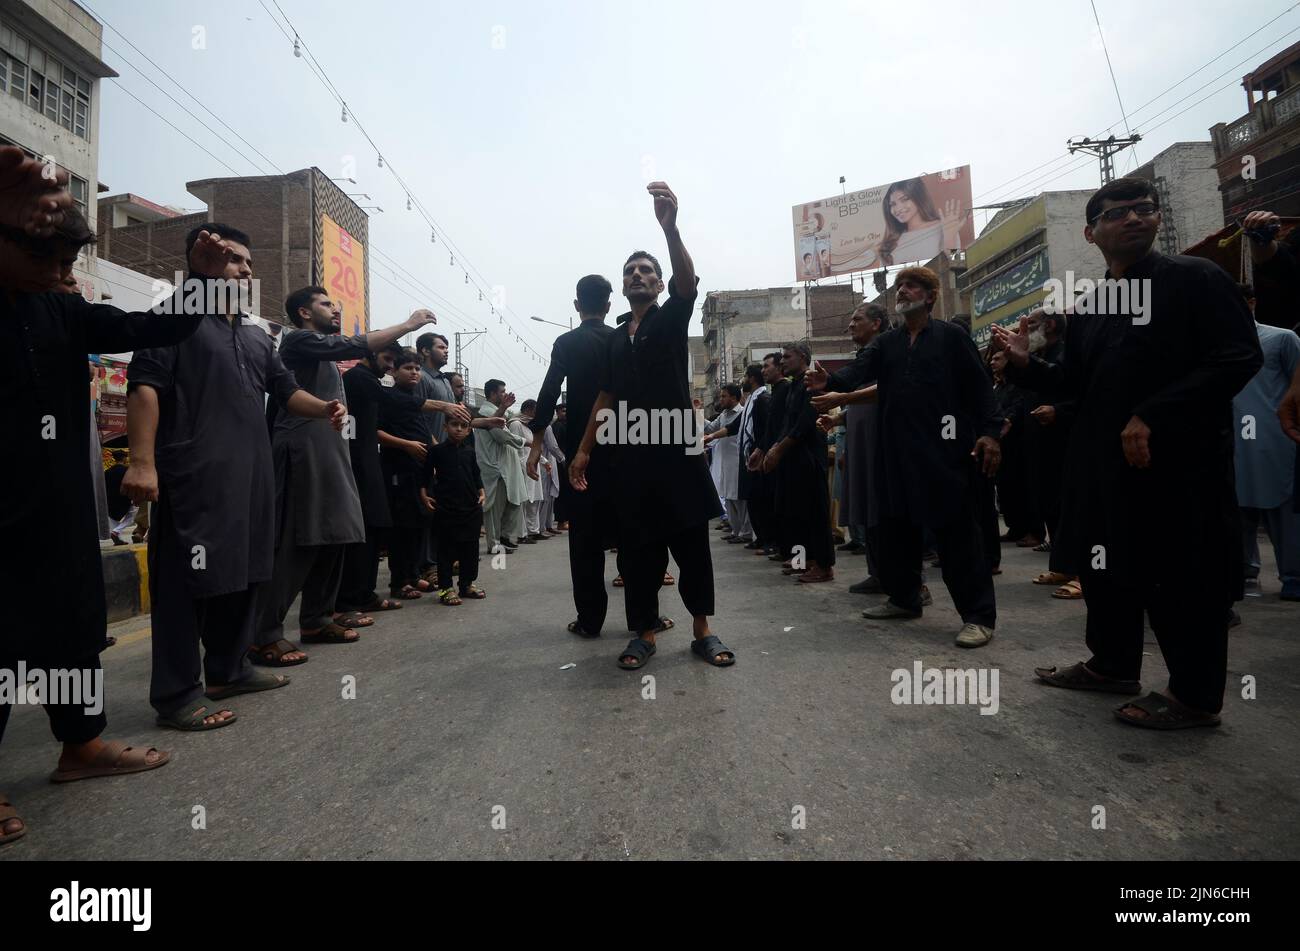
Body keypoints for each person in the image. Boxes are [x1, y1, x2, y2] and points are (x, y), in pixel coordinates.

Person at [994, 177, 1263, 728]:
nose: (1135, 219)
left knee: (1182, 577)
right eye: (1118, 214)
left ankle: (1194, 697)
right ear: (1092, 233)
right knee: (1107, 570)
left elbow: (1238, 357)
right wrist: (1024, 364)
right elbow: (1074, 383)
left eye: (1143, 209)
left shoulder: (1195, 279)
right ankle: (1111, 665)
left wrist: (1155, 413)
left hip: (1178, 462)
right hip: (1103, 467)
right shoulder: (1095, 306)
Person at [0, 155, 208, 846]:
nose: (61, 272)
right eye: (45, 255)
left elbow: (147, 329)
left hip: (58, 506)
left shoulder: (61, 307)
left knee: (73, 626)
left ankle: (80, 744)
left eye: (68, 259)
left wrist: (202, 284)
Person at [125, 223, 348, 730]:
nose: (245, 270)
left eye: (247, 262)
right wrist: (142, 462)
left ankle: (229, 668)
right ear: (202, 263)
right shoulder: (173, 318)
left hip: (253, 474)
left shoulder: (253, 332)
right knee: (187, 582)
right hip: (194, 472)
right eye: (233, 261)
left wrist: (325, 408)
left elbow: (285, 388)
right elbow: (145, 388)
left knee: (246, 572)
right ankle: (178, 694)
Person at [570, 182, 734, 669]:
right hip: (629, 454)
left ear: (659, 284)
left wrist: (670, 228)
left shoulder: (672, 317)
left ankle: (702, 631)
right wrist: (583, 450)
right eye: (631, 272)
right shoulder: (616, 339)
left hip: (677, 448)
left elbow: (689, 282)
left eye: (647, 271)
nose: (638, 275)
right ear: (622, 286)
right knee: (639, 551)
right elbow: (604, 396)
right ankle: (643, 632)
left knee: (691, 545)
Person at [807, 266, 1002, 647]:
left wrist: (991, 433)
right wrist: (828, 382)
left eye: (912, 285)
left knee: (956, 536)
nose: (903, 291)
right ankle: (904, 599)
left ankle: (978, 616)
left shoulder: (951, 337)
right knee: (895, 530)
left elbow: (980, 390)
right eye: (900, 286)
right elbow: (859, 371)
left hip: (944, 450)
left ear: (930, 296)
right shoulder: (888, 343)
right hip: (896, 452)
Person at [248, 290, 440, 667]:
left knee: (336, 534)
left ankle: (318, 618)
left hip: (332, 454)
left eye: (335, 304)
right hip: (301, 450)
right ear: (303, 312)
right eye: (325, 304)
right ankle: (263, 634)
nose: (335, 309)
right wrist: (408, 324)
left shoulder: (328, 361)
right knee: (297, 540)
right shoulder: (299, 340)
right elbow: (351, 343)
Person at [527, 275, 618, 637]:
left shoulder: (566, 342)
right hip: (622, 446)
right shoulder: (620, 339)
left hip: (581, 453)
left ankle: (590, 621)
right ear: (609, 306)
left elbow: (549, 392)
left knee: (584, 541)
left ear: (577, 305)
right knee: (631, 533)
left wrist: (536, 444)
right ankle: (646, 618)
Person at [1232, 285, 1300, 600]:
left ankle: (1293, 577)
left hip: (1274, 440)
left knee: (1283, 512)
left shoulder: (1281, 339)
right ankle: (1244, 571)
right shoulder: (1217, 346)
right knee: (1236, 512)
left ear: (1252, 302)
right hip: (1233, 442)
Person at [812, 303, 886, 592]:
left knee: (883, 510)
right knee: (869, 509)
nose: (850, 325)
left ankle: (907, 583)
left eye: (857, 319)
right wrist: (840, 417)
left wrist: (841, 395)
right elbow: (860, 400)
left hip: (879, 441)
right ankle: (879, 573)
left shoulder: (885, 351)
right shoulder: (865, 357)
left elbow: (884, 390)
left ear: (877, 323)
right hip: (859, 438)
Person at [762, 342, 835, 583]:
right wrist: (774, 447)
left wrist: (780, 448)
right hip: (793, 458)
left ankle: (823, 565)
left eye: (787, 357)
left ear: (802, 357)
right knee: (798, 513)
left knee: (815, 512)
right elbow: (787, 423)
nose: (782, 361)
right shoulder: (795, 385)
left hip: (809, 457)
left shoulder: (811, 383)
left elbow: (804, 423)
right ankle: (804, 560)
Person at [420, 414, 486, 604]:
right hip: (446, 507)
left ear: (468, 430)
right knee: (446, 549)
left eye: (463, 425)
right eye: (454, 424)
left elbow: (476, 474)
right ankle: (446, 588)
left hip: (471, 507)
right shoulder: (437, 451)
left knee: (471, 549)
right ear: (445, 427)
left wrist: (481, 492)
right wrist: (424, 494)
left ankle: (466, 584)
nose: (458, 429)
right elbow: (426, 476)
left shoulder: (470, 452)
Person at [476, 379, 526, 553]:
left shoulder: (498, 412)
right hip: (495, 468)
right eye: (502, 391)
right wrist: (524, 442)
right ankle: (494, 543)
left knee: (513, 502)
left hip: (505, 467)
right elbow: (501, 436)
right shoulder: (486, 412)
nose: (505, 394)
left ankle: (504, 537)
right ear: (492, 394)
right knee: (494, 509)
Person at [878, 178, 966, 267]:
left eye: (904, 199)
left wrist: (950, 239)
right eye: (893, 204)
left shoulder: (945, 228)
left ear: (918, 197)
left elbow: (959, 266)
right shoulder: (891, 242)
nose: (898, 208)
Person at [701, 384, 746, 542]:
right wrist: (696, 414)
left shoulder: (742, 413)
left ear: (733, 397)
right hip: (725, 461)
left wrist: (711, 437)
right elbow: (711, 427)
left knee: (739, 497)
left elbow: (721, 432)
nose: (721, 399)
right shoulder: (724, 414)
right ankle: (735, 530)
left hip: (737, 460)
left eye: (723, 396)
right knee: (728, 496)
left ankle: (745, 532)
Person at [513, 400, 548, 543]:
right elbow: (515, 446)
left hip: (534, 465)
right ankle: (522, 534)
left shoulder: (531, 426)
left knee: (535, 500)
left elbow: (535, 447)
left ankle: (534, 530)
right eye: (535, 411)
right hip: (522, 466)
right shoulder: (515, 424)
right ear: (528, 410)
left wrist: (544, 462)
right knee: (524, 501)